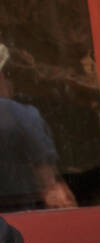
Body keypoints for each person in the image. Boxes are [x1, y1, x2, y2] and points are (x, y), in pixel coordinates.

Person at [0, 43, 76, 212]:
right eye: (9, 75)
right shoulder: (19, 114)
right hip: (21, 219)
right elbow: (50, 187)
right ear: (2, 76)